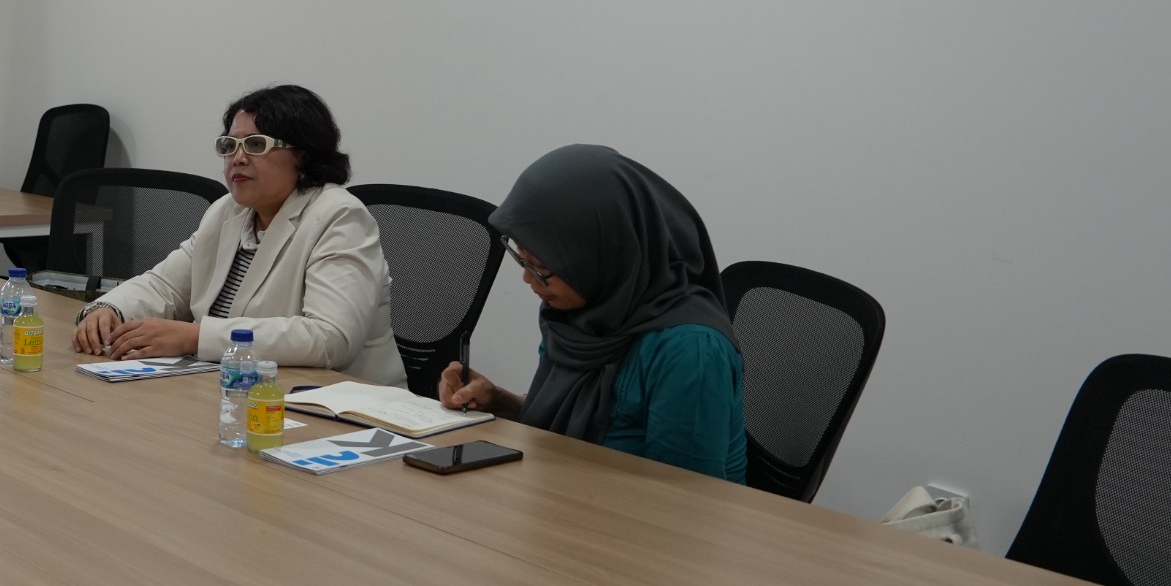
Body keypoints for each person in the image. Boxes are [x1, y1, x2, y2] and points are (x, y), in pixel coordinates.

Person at [438, 144, 747, 483]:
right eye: (523, 260)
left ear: (603, 256)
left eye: (542, 268)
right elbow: (570, 426)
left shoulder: (689, 350)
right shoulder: (580, 314)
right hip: (566, 500)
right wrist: (498, 401)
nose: (528, 278)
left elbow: (684, 501)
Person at [73, 85, 406, 384]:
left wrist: (196, 337)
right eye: (229, 146)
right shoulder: (228, 211)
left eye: (256, 145)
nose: (238, 158)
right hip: (239, 388)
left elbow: (330, 338)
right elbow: (166, 285)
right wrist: (110, 310)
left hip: (339, 406)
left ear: (304, 154)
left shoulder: (339, 217)